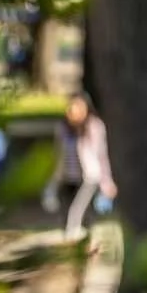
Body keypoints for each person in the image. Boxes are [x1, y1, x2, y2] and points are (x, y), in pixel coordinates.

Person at [43, 93, 117, 241]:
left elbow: (101, 155)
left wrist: (106, 180)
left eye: (77, 107)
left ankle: (71, 238)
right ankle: (86, 242)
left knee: (76, 210)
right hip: (68, 176)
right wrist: (53, 180)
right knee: (71, 211)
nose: (72, 110)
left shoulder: (94, 126)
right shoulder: (62, 128)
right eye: (70, 107)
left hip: (89, 177)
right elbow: (58, 154)